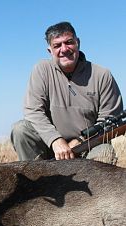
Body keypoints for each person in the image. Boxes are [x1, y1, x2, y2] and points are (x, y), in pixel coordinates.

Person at [11, 21, 123, 162]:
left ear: (78, 43)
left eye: (69, 42)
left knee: (105, 152)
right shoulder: (41, 69)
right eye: (57, 45)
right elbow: (33, 111)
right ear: (50, 51)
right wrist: (55, 140)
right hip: (52, 147)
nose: (64, 49)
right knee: (21, 130)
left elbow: (110, 120)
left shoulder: (102, 75)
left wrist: (80, 141)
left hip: (87, 147)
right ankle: (36, 182)